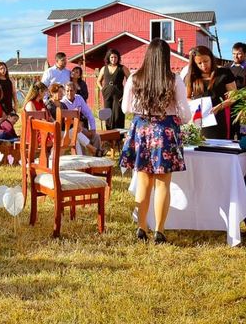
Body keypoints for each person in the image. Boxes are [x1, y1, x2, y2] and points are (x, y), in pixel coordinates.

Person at [119, 39, 191, 243]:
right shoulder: (174, 79)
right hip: (165, 131)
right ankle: (159, 231)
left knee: (143, 182)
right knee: (162, 184)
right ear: (166, 57)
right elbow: (185, 115)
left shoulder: (134, 77)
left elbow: (126, 108)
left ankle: (141, 228)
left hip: (141, 130)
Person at [186, 45, 237, 140]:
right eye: (199, 63)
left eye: (206, 61)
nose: (203, 65)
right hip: (199, 120)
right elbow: (187, 97)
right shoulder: (191, 77)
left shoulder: (224, 73)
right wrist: (196, 105)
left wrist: (220, 106)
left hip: (219, 119)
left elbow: (234, 96)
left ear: (211, 59)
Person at [62, 81, 102, 151]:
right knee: (80, 138)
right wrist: (77, 126)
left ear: (75, 91)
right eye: (67, 91)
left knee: (96, 136)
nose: (69, 93)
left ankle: (97, 157)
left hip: (80, 127)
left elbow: (88, 113)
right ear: (64, 91)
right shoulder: (62, 102)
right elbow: (64, 120)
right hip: (69, 130)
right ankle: (86, 157)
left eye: (71, 90)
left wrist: (93, 128)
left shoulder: (79, 98)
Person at [97, 49, 130, 129]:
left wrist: (126, 92)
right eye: (112, 57)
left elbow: (130, 80)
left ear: (118, 58)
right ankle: (109, 134)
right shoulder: (104, 68)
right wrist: (102, 89)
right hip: (107, 93)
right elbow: (98, 81)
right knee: (107, 113)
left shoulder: (122, 68)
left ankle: (119, 135)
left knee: (118, 114)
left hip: (119, 94)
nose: (113, 59)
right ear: (108, 58)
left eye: (115, 57)